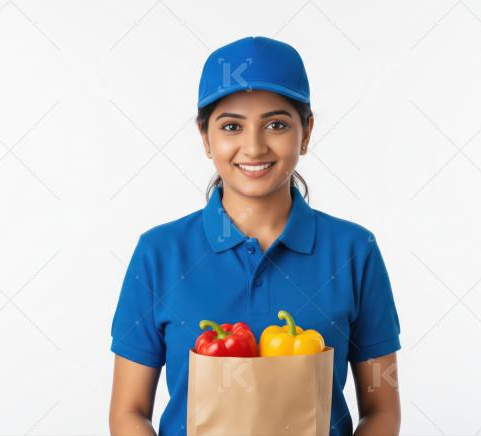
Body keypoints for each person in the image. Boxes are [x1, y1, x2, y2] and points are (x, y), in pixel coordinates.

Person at [109, 35, 402, 436]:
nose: (253, 146)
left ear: (307, 130)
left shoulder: (354, 251)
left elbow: (382, 410)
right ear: (205, 137)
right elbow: (128, 412)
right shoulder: (159, 254)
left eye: (277, 124)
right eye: (231, 126)